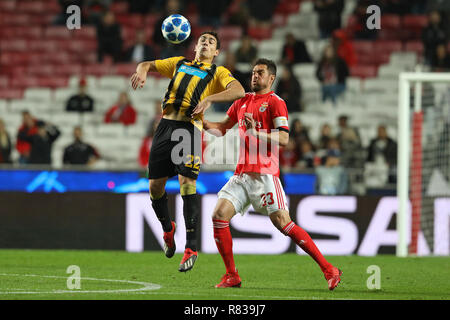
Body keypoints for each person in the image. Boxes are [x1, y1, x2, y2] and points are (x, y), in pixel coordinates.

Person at [203, 58, 342, 290]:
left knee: (282, 222)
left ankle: (329, 269)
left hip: (265, 174)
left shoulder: (276, 102)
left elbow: (285, 138)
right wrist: (200, 121)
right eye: (253, 72)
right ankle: (231, 275)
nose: (254, 76)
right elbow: (221, 129)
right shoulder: (242, 101)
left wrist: (257, 133)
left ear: (271, 78)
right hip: (242, 175)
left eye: (260, 73)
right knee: (218, 215)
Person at [130, 31, 245, 272]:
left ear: (216, 52)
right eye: (203, 40)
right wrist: (142, 69)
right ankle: (167, 229)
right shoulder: (180, 63)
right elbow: (148, 64)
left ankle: (191, 247)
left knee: (187, 183)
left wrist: (210, 99)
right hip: (165, 126)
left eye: (212, 42)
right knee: (154, 188)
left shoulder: (218, 72)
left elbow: (239, 91)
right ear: (195, 46)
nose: (206, 43)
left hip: (190, 128)